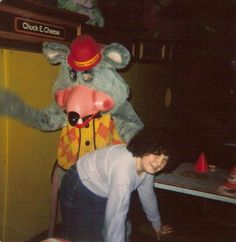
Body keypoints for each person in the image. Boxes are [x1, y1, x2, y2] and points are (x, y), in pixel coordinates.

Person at [60, 127, 173, 242]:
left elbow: (148, 196)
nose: (159, 163)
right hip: (78, 185)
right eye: (156, 154)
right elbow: (116, 217)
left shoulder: (147, 167)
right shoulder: (123, 171)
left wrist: (156, 224)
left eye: (165, 159)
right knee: (81, 237)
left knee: (112, 231)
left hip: (101, 190)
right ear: (144, 148)